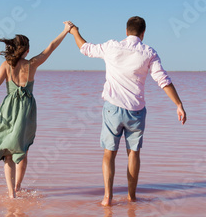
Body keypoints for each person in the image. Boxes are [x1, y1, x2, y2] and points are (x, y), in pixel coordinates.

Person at [70, 16, 186, 206]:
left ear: (126, 31)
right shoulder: (148, 52)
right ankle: (132, 197)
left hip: (112, 109)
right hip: (136, 111)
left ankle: (108, 197)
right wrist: (178, 104)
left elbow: (85, 48)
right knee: (133, 153)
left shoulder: (112, 46)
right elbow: (163, 80)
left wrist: (74, 31)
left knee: (109, 152)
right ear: (143, 33)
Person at [0, 22, 73, 198]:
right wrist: (65, 31)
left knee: (8, 154)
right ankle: (17, 186)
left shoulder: (6, 65)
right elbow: (51, 47)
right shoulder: (32, 64)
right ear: (27, 49)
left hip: (8, 109)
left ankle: (11, 193)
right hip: (25, 110)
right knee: (22, 150)